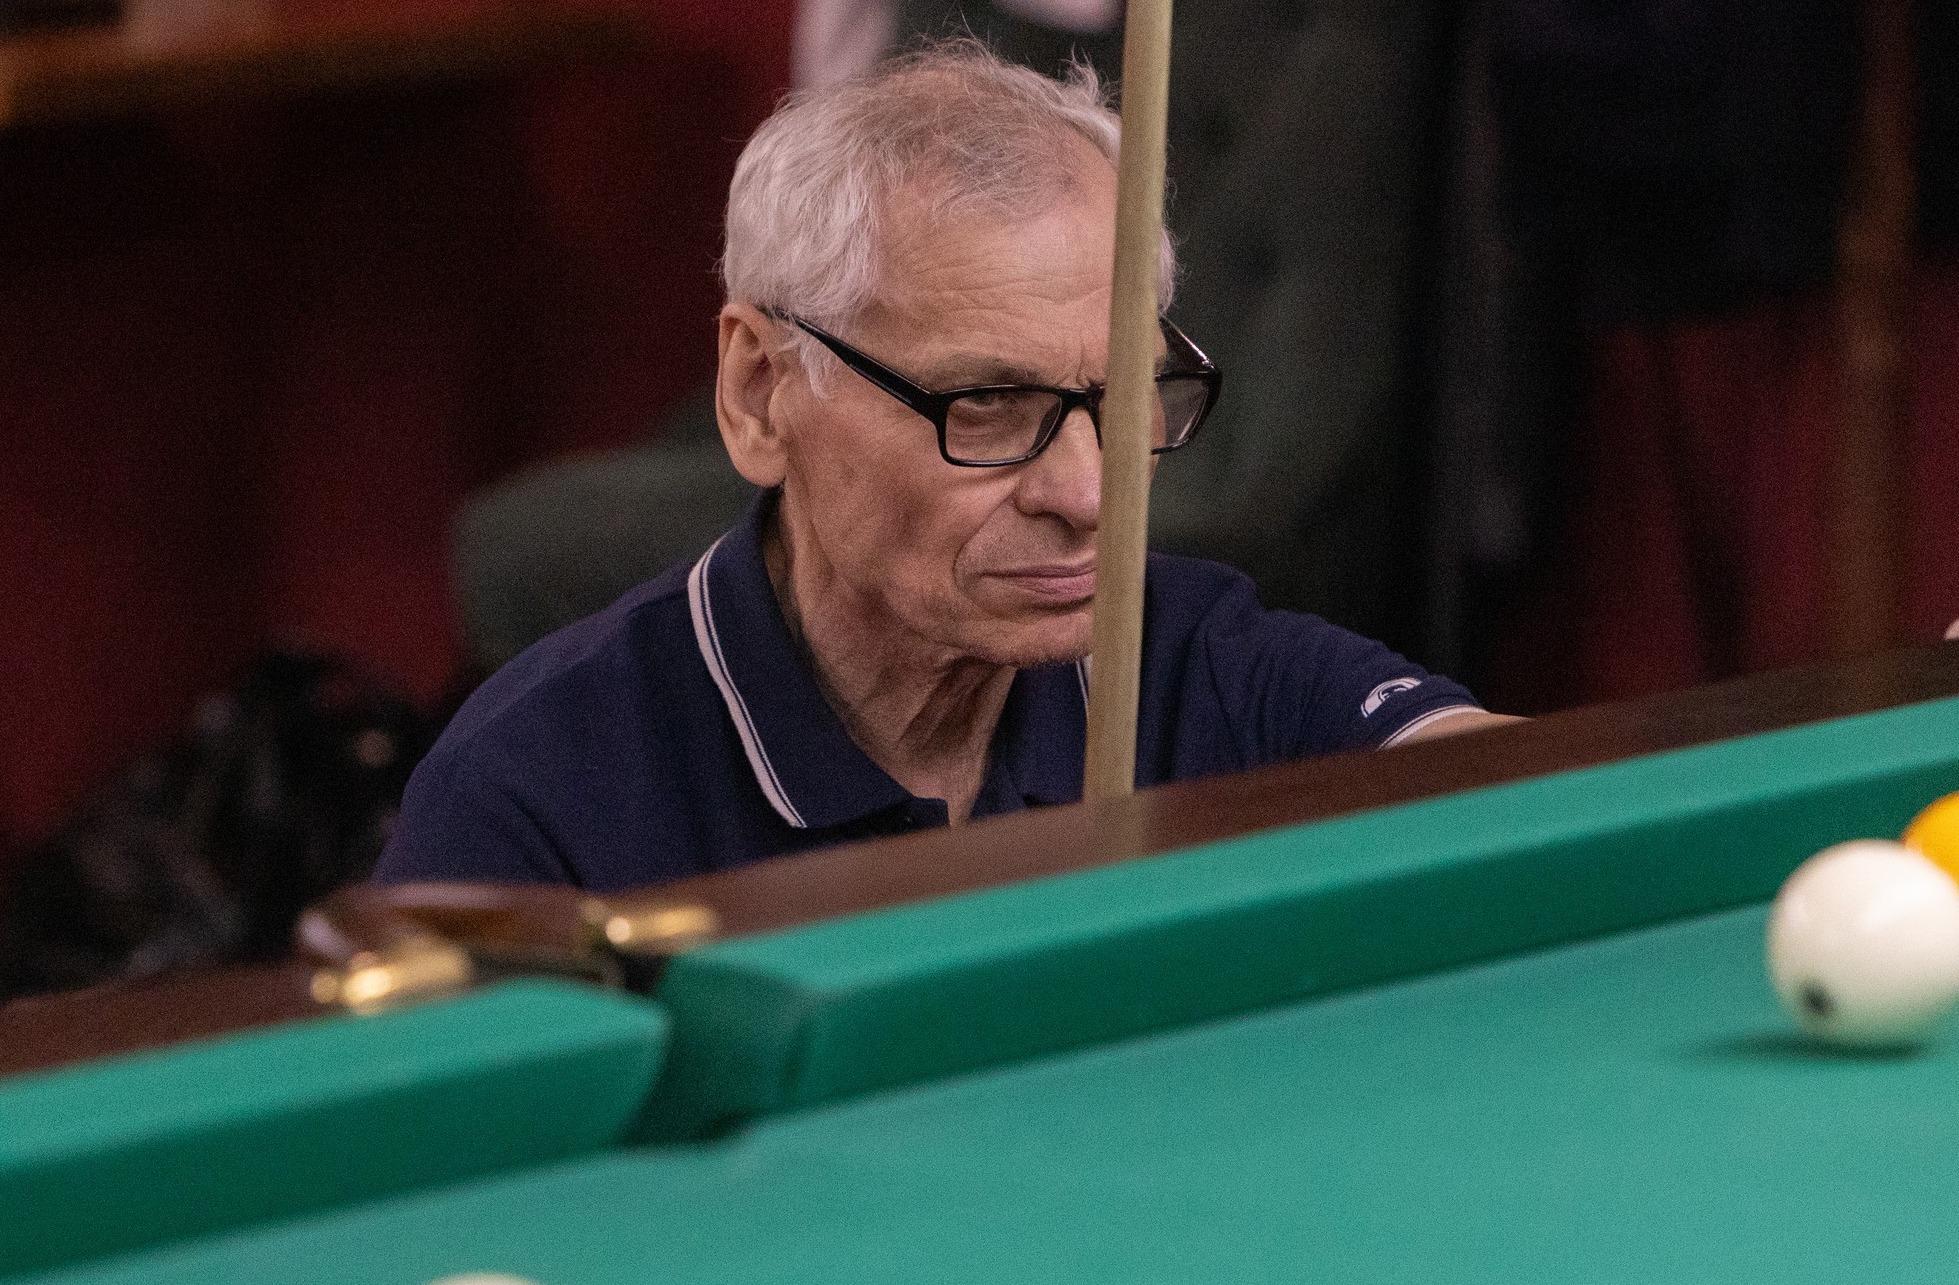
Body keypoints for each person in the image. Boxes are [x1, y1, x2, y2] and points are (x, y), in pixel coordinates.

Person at [378, 45, 1506, 892]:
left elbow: (1524, 805)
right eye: (988, 405)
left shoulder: (1192, 663)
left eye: (1122, 395)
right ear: (760, 393)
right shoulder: (535, 798)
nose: (1087, 496)